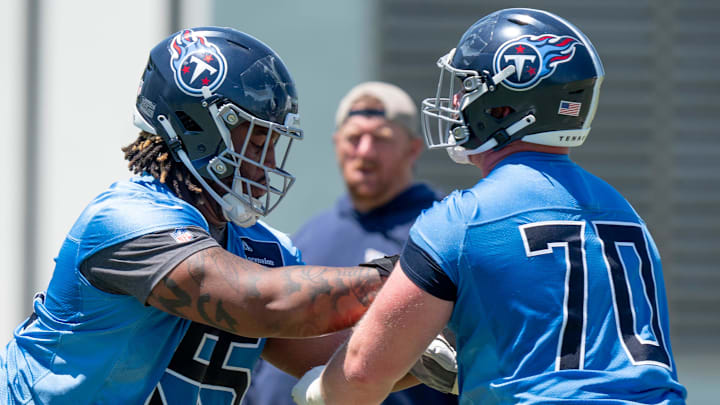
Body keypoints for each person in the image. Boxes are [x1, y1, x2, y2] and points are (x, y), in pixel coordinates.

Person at [292, 8, 688, 405]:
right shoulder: (626, 213)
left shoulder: (463, 219)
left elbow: (361, 375)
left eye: (468, 86)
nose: (457, 99)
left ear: (503, 106)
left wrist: (316, 390)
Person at [0, 27, 406, 405]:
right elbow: (260, 301)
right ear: (196, 130)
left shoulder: (263, 249)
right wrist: (406, 275)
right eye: (255, 140)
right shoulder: (125, 220)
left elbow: (346, 363)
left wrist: (444, 339)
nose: (265, 165)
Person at [243, 82, 457, 405]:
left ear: (412, 149)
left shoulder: (441, 230)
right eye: (354, 138)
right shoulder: (308, 236)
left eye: (382, 139)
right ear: (336, 144)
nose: (365, 151)